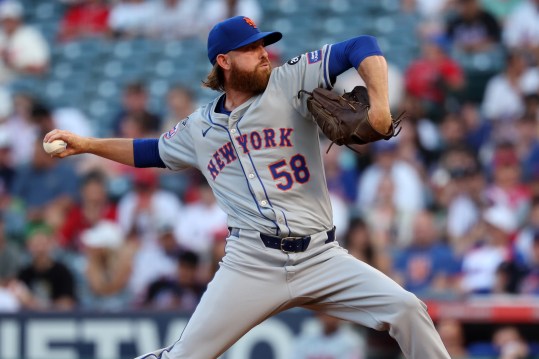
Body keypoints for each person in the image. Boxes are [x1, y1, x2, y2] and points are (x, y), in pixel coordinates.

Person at [44, 15, 450, 358]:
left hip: (322, 257)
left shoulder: (290, 80)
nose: (263, 54)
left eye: (263, 46)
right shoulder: (199, 128)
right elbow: (150, 151)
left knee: (408, 309)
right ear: (224, 61)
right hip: (251, 263)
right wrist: (87, 144)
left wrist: (379, 104)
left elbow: (360, 45)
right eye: (251, 49)